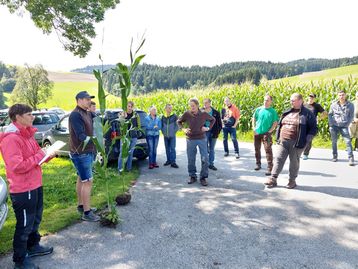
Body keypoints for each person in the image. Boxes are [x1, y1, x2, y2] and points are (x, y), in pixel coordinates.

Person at [0, 104, 55, 269]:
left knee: (35, 219)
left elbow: (35, 157)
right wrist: (40, 155)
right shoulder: (11, 138)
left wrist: (47, 156)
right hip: (23, 189)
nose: (33, 117)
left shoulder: (27, 134)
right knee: (24, 225)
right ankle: (20, 259)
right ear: (18, 117)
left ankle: (33, 246)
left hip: (35, 184)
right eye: (29, 114)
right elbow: (17, 166)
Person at [265, 93, 317, 189]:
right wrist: (278, 137)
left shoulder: (307, 113)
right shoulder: (287, 112)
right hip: (283, 141)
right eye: (290, 100)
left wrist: (307, 140)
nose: (291, 102)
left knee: (294, 162)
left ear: (300, 101)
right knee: (278, 159)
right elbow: (280, 125)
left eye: (293, 100)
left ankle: (292, 181)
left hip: (297, 143)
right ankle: (273, 178)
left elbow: (313, 128)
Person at [69, 91, 99, 222]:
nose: (89, 102)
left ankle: (82, 206)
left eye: (89, 99)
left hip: (87, 151)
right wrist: (96, 141)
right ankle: (87, 213)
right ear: (79, 100)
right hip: (81, 153)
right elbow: (81, 136)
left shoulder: (87, 112)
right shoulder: (75, 115)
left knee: (81, 178)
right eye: (87, 99)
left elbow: (98, 119)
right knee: (88, 181)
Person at [177, 98, 215, 186]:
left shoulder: (204, 114)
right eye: (190, 106)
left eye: (193, 105)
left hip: (202, 138)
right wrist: (183, 129)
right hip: (190, 139)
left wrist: (208, 128)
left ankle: (203, 177)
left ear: (197, 105)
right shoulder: (187, 114)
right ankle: (192, 176)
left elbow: (213, 120)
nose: (192, 107)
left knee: (205, 158)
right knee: (191, 159)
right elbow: (179, 121)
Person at [252, 94, 279, 175]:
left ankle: (270, 168)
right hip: (257, 132)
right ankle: (258, 164)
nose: (265, 102)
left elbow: (275, 123)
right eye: (264, 100)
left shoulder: (273, 111)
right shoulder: (258, 109)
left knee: (268, 150)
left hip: (266, 134)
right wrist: (254, 128)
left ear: (271, 101)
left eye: (267, 100)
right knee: (257, 149)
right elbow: (254, 118)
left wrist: (270, 131)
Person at [328, 90, 355, 166]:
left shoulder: (350, 105)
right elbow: (330, 115)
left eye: (343, 95)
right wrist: (331, 124)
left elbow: (351, 116)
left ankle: (350, 158)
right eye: (340, 95)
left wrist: (347, 124)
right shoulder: (333, 105)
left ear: (345, 95)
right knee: (334, 142)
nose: (341, 96)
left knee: (348, 141)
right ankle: (335, 155)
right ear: (338, 96)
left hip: (344, 126)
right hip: (334, 126)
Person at [302, 93, 327, 160]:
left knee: (308, 139)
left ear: (314, 98)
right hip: (303, 124)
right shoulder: (304, 105)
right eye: (310, 97)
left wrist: (319, 118)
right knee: (301, 138)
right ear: (308, 97)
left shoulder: (317, 106)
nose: (311, 98)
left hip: (311, 125)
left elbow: (325, 113)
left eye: (312, 97)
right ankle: (299, 152)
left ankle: (305, 154)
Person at [118, 101, 139, 171]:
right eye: (128, 106)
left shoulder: (136, 115)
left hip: (133, 136)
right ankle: (120, 169)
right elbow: (120, 125)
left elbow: (138, 125)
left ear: (133, 107)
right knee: (122, 153)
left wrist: (136, 131)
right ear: (126, 107)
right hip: (124, 136)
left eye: (131, 106)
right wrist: (123, 117)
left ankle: (128, 168)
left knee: (130, 153)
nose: (129, 108)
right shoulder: (122, 114)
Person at [202, 98, 222, 170]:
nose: (205, 104)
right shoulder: (201, 112)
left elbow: (220, 124)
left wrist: (218, 132)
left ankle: (211, 164)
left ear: (210, 103)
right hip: (204, 132)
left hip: (213, 132)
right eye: (204, 103)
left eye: (206, 103)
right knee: (205, 148)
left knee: (212, 149)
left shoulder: (216, 112)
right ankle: (205, 163)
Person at [161, 104, 179, 168]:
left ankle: (173, 162)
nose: (170, 109)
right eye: (169, 108)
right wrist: (163, 132)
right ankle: (168, 160)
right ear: (165, 109)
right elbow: (161, 126)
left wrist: (174, 132)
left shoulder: (174, 116)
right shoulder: (163, 117)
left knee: (173, 148)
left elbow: (178, 125)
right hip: (165, 136)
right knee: (167, 149)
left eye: (171, 108)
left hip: (172, 136)